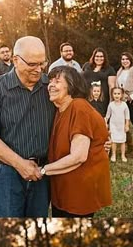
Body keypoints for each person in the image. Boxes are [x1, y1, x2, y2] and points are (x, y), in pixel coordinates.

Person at [0, 36, 56, 217]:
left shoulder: (50, 88)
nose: (39, 69)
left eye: (42, 63)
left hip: (41, 174)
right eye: (32, 64)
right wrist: (20, 164)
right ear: (15, 60)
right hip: (5, 173)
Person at [44, 65, 112, 216]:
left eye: (57, 81)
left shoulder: (78, 107)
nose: (51, 85)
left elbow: (78, 156)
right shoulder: (60, 110)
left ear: (71, 85)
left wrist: (43, 170)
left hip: (79, 191)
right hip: (64, 188)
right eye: (50, 81)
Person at [106, 84, 131, 162]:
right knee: (113, 141)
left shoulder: (124, 105)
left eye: (118, 94)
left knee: (122, 141)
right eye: (115, 94)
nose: (116, 95)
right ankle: (113, 154)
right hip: (113, 126)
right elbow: (107, 116)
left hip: (121, 126)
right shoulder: (111, 105)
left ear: (122, 95)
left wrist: (126, 125)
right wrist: (105, 124)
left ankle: (123, 155)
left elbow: (127, 116)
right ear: (112, 95)